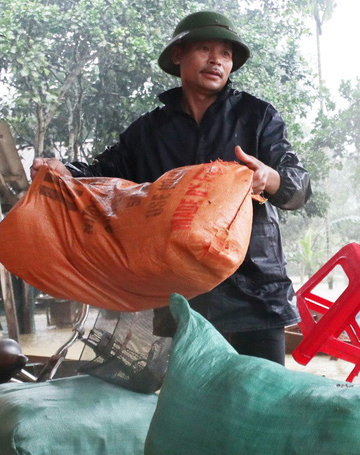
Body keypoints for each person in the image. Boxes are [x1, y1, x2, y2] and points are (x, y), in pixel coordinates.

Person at [31, 11, 311, 365]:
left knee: (264, 407)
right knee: (193, 410)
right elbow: (100, 176)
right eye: (205, 48)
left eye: (225, 54)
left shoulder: (256, 117)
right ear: (178, 54)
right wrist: (62, 170)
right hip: (181, 299)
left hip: (255, 296)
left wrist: (267, 177)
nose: (216, 60)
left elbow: (299, 186)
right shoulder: (148, 131)